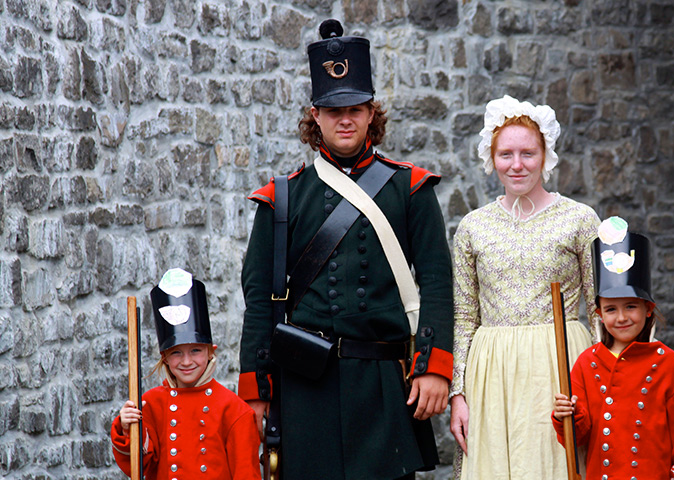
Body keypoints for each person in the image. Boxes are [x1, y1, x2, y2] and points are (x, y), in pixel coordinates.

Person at [238, 19, 453, 480]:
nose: (345, 119)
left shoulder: (409, 187)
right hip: (303, 389)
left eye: (355, 107)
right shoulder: (283, 197)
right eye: (333, 110)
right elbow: (259, 300)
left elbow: (436, 281)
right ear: (315, 115)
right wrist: (255, 390)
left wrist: (433, 366)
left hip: (383, 385)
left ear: (372, 112)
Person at [449, 94, 601, 479]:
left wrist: (605, 382)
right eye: (506, 154)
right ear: (491, 157)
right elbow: (466, 317)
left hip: (559, 366)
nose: (517, 165)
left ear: (545, 155)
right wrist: (459, 395)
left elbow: (599, 308)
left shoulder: (580, 220)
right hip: (491, 371)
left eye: (528, 154)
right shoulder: (473, 227)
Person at [552, 218, 674, 480]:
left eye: (631, 306)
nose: (622, 317)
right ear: (599, 314)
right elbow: (577, 438)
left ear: (648, 309)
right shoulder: (586, 363)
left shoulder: (671, 367)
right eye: (611, 309)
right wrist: (565, 415)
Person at [110, 268, 261, 480]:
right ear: (164, 357)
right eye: (177, 353)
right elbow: (140, 465)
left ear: (211, 352)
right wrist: (127, 428)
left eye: (196, 350)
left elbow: (246, 475)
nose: (187, 361)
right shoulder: (150, 404)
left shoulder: (235, 411)